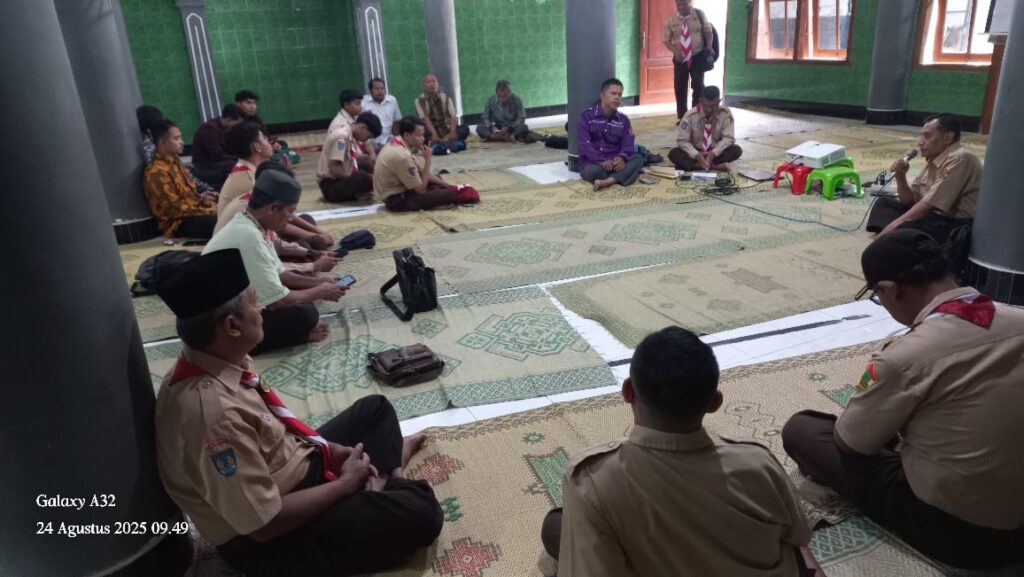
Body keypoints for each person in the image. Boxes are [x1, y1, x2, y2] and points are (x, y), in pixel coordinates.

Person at [154, 248, 443, 577]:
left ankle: (383, 481)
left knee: (375, 409)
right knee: (423, 512)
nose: (261, 309)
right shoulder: (212, 416)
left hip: (293, 471)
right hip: (273, 540)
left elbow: (277, 428)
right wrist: (344, 485)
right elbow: (264, 525)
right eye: (254, 302)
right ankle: (389, 479)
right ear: (232, 325)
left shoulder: (219, 359)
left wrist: (330, 450)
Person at [782, 230, 1024, 571]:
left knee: (804, 430)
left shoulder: (905, 356)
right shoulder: (1018, 318)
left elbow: (852, 444)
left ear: (889, 289)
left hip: (966, 536)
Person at [542, 326, 819, 577]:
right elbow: (798, 536)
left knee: (558, 525)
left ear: (627, 391)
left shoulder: (592, 481)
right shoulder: (758, 461)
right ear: (715, 402)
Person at [203, 170, 346, 353]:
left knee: (303, 301)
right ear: (272, 208)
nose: (291, 218)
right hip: (218, 327)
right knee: (306, 315)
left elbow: (281, 273)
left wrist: (320, 282)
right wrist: (320, 292)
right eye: (290, 211)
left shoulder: (250, 223)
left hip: (230, 308)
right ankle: (298, 335)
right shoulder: (248, 236)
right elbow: (279, 301)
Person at [866, 115, 982, 244]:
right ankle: (896, 236)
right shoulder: (934, 159)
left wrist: (895, 224)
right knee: (884, 203)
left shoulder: (961, 158)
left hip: (953, 223)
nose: (920, 142)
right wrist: (900, 176)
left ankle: (895, 236)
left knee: (905, 227)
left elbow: (929, 204)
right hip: (932, 215)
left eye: (927, 136)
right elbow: (910, 200)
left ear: (947, 138)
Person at [218, 127, 334, 251]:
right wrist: (315, 235)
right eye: (264, 138)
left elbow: (282, 213)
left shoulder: (253, 171)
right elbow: (273, 218)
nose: (269, 142)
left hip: (262, 227)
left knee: (307, 221)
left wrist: (317, 232)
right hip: (242, 242)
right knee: (311, 243)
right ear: (257, 147)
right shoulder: (246, 180)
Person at [374, 116, 479, 212]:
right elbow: (421, 190)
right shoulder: (402, 156)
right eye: (419, 136)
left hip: (398, 191)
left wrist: (449, 186)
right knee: (448, 194)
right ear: (407, 135)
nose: (423, 139)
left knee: (438, 180)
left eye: (422, 135)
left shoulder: (397, 142)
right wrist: (428, 160)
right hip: (396, 200)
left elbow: (422, 172)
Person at [143, 119, 218, 240]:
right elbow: (175, 210)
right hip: (179, 223)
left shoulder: (175, 161)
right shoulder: (156, 172)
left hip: (192, 212)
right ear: (163, 142)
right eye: (176, 139)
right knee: (223, 221)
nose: (182, 142)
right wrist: (209, 210)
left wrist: (206, 201)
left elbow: (190, 196)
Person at [576, 78, 646, 191]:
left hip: (614, 162)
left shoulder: (624, 120)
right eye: (613, 93)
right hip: (593, 163)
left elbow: (628, 144)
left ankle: (608, 181)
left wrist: (622, 157)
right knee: (595, 172)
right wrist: (600, 160)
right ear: (602, 95)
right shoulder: (586, 117)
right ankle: (620, 175)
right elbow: (584, 145)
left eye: (620, 94)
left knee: (638, 158)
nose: (617, 97)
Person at [669, 86, 743, 172]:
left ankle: (696, 165)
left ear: (719, 101)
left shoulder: (725, 114)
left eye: (714, 106)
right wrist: (696, 154)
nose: (709, 110)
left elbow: (729, 138)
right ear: (701, 101)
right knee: (674, 153)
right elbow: (682, 141)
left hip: (716, 152)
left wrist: (713, 153)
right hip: (695, 152)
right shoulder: (689, 116)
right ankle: (714, 166)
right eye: (706, 105)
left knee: (736, 150)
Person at [664, 0, 715, 118]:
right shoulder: (671, 20)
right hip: (680, 59)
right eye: (679, 4)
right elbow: (666, 40)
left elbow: (708, 30)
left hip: (697, 56)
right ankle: (682, 116)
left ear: (690, 2)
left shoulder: (699, 14)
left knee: (698, 86)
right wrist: (676, 52)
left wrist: (709, 45)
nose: (681, 7)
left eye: (684, 4)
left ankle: (696, 114)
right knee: (680, 87)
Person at [317, 112, 382, 203]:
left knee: (366, 162)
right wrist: (353, 179)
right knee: (362, 177)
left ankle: (363, 191)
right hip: (330, 186)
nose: (366, 140)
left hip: (339, 178)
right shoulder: (342, 137)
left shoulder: (349, 135)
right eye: (368, 137)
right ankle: (377, 188)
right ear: (363, 127)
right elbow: (334, 167)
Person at [234, 89, 300, 166]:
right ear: (238, 104)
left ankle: (276, 160)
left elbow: (265, 135)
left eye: (254, 103)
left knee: (282, 144)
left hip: (261, 147)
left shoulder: (255, 118)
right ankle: (275, 162)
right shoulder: (236, 120)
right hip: (250, 151)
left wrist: (273, 143)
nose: (252, 106)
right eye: (248, 103)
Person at [191, 103, 247, 190]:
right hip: (205, 165)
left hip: (218, 162)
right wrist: (240, 159)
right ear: (228, 119)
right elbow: (217, 155)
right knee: (238, 165)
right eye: (237, 124)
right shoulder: (209, 129)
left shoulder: (224, 129)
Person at [415, 74, 469, 152]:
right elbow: (425, 119)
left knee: (465, 129)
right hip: (431, 133)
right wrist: (434, 134)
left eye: (434, 81)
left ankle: (440, 145)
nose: (432, 84)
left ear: (437, 84)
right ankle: (452, 145)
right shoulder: (420, 100)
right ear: (424, 86)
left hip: (447, 131)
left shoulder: (446, 97)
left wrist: (452, 131)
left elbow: (453, 116)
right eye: (428, 82)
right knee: (421, 136)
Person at [328, 89, 376, 173]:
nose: (361, 107)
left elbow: (366, 141)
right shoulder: (338, 126)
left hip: (359, 158)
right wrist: (361, 157)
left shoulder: (357, 117)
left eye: (360, 103)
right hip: (345, 165)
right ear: (346, 105)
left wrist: (372, 154)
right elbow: (339, 157)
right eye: (357, 104)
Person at [362, 78, 403, 151]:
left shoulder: (392, 100)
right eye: (377, 89)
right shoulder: (363, 102)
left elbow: (396, 122)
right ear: (370, 91)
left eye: (382, 88)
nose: (380, 91)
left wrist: (396, 140)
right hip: (370, 141)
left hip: (388, 140)